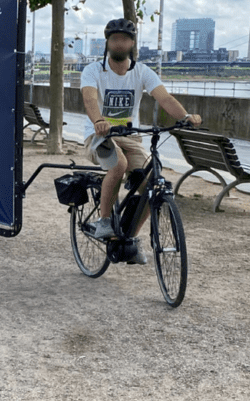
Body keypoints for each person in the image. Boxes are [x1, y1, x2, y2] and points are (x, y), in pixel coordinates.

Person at [80, 18, 201, 250]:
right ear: (108, 42)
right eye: (115, 39)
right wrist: (98, 120)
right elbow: (89, 97)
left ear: (132, 43)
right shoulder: (93, 70)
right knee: (119, 165)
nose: (119, 44)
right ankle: (104, 221)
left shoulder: (142, 71)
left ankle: (129, 239)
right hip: (99, 135)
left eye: (124, 39)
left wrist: (185, 117)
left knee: (151, 183)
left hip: (131, 135)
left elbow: (165, 98)